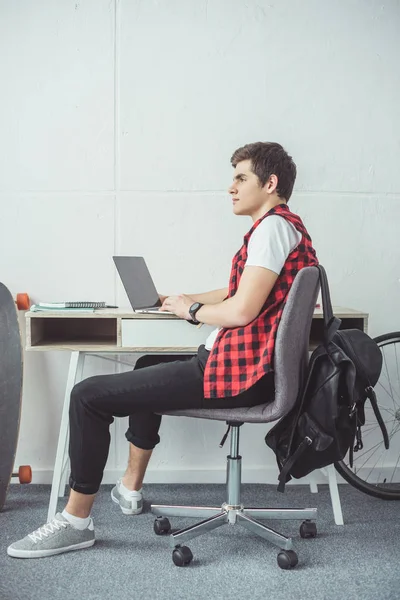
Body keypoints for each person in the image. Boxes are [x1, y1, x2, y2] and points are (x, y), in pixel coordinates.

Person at [7, 141, 318, 558]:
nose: (231, 187)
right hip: (252, 373)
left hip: (236, 377)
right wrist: (183, 298)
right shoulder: (285, 228)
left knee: (88, 396)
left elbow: (242, 309)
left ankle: (76, 521)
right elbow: (241, 289)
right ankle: (130, 490)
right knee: (147, 365)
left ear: (271, 182)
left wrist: (192, 311)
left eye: (241, 178)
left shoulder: (271, 229)